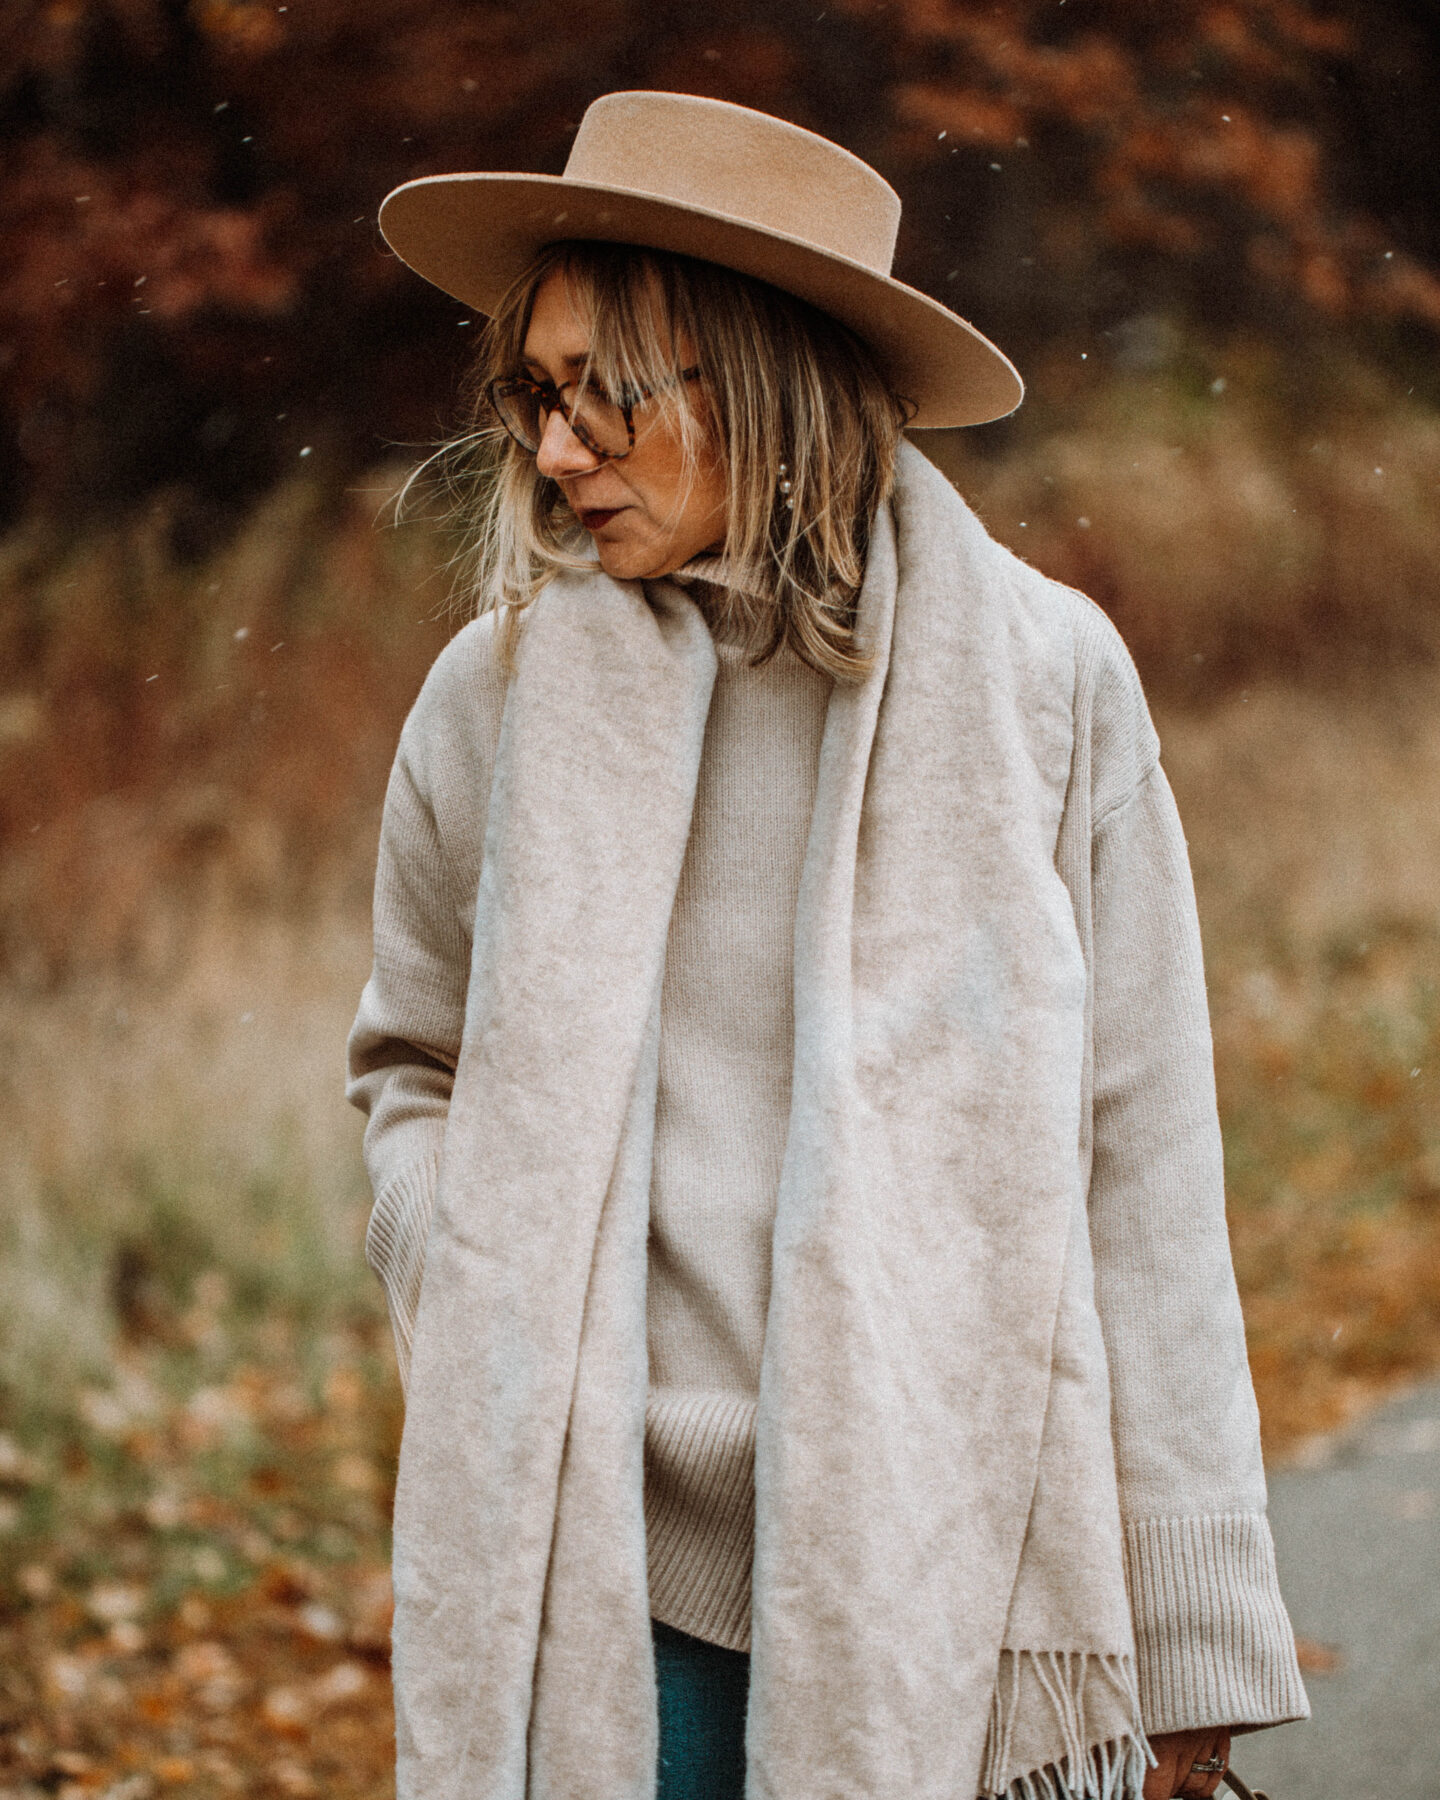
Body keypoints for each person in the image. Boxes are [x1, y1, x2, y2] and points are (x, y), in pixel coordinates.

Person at [347, 90, 1307, 1800]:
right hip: (602, 1576)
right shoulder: (489, 708)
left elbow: (1141, 1165)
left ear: (769, 380)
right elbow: (410, 1062)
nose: (555, 451)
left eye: (606, 394)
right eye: (536, 390)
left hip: (961, 1560)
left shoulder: (1046, 688)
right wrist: (475, 1258)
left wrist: (1191, 1643)